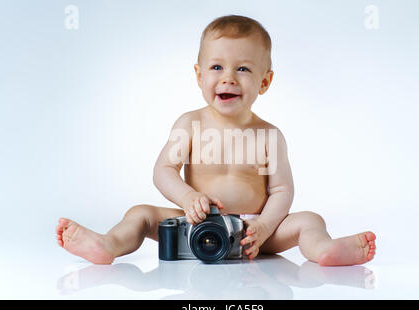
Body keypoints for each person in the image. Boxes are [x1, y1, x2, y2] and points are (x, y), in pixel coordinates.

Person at [55, 15, 376, 266]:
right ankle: (107, 244)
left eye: (243, 69)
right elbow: (163, 169)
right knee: (140, 214)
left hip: (252, 232)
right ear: (199, 75)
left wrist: (264, 227)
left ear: (265, 81)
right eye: (217, 66)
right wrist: (187, 196)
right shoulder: (190, 123)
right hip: (192, 223)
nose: (228, 77)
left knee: (309, 220)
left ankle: (323, 249)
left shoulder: (270, 135)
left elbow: (282, 190)